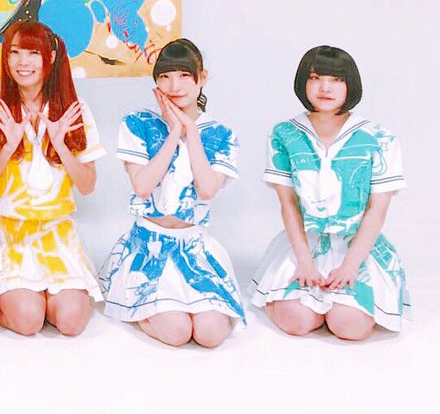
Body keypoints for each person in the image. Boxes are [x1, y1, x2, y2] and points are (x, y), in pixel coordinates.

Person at [251, 45, 409, 339]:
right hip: (304, 244)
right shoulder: (285, 133)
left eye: (336, 79)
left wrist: (350, 266)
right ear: (303, 82)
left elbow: (377, 209)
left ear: (350, 85)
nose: (325, 87)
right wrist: (305, 262)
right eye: (315, 78)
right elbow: (288, 204)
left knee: (349, 326)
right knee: (296, 322)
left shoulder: (377, 137)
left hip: (357, 247)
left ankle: (342, 301)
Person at [98, 38, 245, 347]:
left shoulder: (221, 134)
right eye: (165, 76)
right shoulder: (138, 123)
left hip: (195, 249)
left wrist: (191, 132)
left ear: (202, 78)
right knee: (176, 333)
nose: (174, 85)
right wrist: (174, 132)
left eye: (183, 75)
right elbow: (142, 187)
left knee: (211, 335)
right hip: (149, 248)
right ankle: (135, 304)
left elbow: (207, 190)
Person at [0, 20, 103, 336]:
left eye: (33, 53)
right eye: (14, 52)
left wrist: (61, 146)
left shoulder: (73, 110)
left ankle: (46, 294)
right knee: (28, 320)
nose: (22, 62)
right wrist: (8, 148)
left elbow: (88, 185)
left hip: (56, 232)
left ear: (50, 58)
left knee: (72, 323)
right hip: (8, 232)